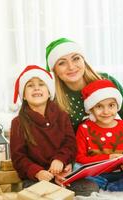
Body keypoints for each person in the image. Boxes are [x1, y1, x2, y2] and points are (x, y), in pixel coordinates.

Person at [45, 37, 123, 192]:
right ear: (54, 70)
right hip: (81, 160)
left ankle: (104, 187)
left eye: (76, 58)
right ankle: (102, 187)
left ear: (83, 60)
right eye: (62, 62)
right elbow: (56, 141)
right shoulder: (53, 98)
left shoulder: (106, 81)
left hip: (115, 160)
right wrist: (63, 163)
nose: (71, 66)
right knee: (76, 173)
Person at [10, 65, 99, 196]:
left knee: (91, 188)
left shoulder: (62, 116)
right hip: (38, 177)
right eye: (30, 85)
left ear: (49, 92)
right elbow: (19, 157)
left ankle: (60, 191)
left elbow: (70, 144)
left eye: (41, 84)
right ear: (23, 95)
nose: (36, 88)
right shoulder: (18, 123)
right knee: (31, 190)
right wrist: (37, 172)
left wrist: (62, 161)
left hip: (61, 173)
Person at [75, 79, 123, 191]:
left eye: (111, 105)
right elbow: (79, 158)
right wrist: (108, 158)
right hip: (95, 175)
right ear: (91, 109)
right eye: (99, 106)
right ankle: (109, 188)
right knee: (75, 168)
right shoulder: (84, 128)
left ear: (117, 106)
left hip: (120, 174)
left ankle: (108, 188)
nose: (106, 111)